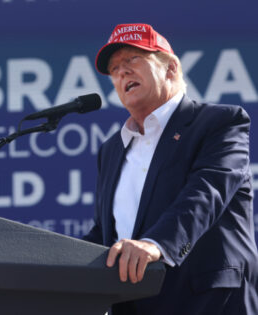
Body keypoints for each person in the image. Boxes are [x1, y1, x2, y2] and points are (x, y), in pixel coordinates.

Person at [83, 23, 258, 315]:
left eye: (132, 60)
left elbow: (207, 192)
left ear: (171, 68)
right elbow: (106, 232)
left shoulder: (219, 123)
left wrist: (155, 244)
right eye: (114, 69)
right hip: (134, 304)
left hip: (207, 303)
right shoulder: (111, 149)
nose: (122, 72)